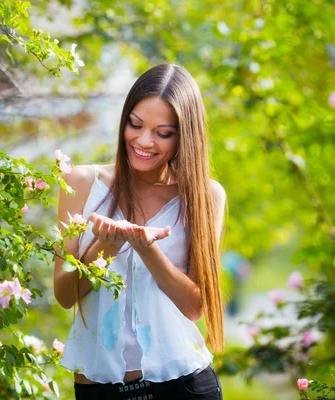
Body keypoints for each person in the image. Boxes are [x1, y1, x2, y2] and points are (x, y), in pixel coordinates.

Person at [53, 63, 227, 400]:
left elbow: (195, 307)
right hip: (100, 390)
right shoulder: (80, 182)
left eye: (163, 133)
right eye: (135, 125)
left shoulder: (205, 196)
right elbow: (64, 296)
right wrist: (105, 246)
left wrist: (148, 250)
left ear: (185, 136)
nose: (144, 141)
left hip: (184, 387)